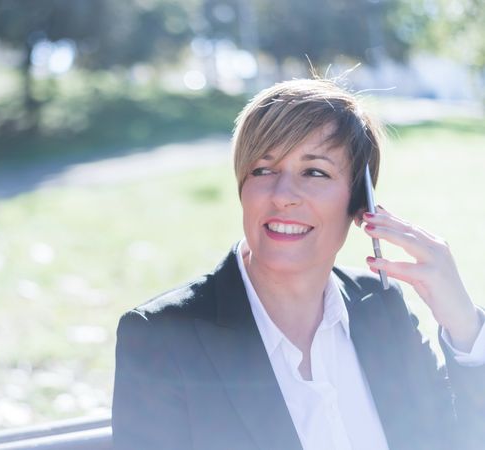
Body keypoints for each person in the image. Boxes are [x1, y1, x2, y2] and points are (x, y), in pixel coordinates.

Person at [111, 78, 485, 450]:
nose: (283, 196)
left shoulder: (382, 308)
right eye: (262, 170)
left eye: (315, 172)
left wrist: (465, 325)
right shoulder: (162, 337)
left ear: (359, 204)